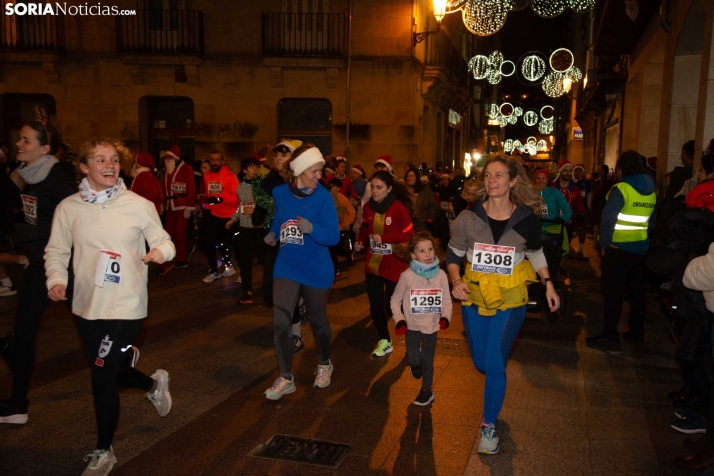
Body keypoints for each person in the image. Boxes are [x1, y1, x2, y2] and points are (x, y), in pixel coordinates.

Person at [45, 139, 175, 475]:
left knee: (101, 376)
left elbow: (163, 239)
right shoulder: (69, 208)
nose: (109, 164)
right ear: (85, 168)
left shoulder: (137, 204)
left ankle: (104, 451)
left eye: (114, 159)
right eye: (100, 159)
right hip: (86, 305)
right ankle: (153, 384)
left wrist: (161, 252)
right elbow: (57, 251)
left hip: (126, 305)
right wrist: (56, 279)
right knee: (111, 371)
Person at [447, 154, 559, 455]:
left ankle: (488, 427)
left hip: (510, 300)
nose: (491, 180)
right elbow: (453, 256)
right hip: (473, 297)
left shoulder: (526, 220)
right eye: (487, 175)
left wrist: (548, 283)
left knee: (495, 363)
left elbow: (535, 254)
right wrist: (456, 281)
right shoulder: (468, 217)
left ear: (512, 181)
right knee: (482, 363)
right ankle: (493, 399)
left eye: (498, 175)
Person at [0, 117, 76, 424]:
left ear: (44, 149)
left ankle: (133, 369)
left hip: (63, 267)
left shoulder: (57, 179)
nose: (19, 144)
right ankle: (18, 405)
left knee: (94, 334)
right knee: (24, 334)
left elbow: (80, 218)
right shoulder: (31, 174)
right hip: (38, 267)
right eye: (20, 138)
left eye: (27, 140)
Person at [262, 144, 340, 400]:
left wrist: (312, 229)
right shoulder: (279, 192)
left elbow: (334, 236)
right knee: (280, 322)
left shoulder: (323, 197)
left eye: (320, 171)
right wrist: (274, 233)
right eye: (315, 171)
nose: (320, 176)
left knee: (317, 322)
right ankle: (286, 377)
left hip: (317, 269)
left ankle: (324, 363)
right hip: (287, 265)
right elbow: (280, 217)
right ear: (299, 169)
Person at [587, 150, 656, 343]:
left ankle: (610, 334)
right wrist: (643, 239)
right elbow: (652, 221)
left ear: (622, 168)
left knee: (613, 293)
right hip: (640, 249)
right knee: (637, 293)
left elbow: (608, 217)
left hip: (617, 249)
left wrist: (605, 242)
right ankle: (636, 333)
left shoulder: (622, 189)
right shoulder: (651, 190)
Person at [355, 170, 415, 357]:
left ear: (389, 189)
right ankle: (385, 341)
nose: (375, 191)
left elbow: (408, 235)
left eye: (379, 187)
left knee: (392, 306)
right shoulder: (367, 208)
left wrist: (386, 239)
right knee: (375, 306)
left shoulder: (398, 209)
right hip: (373, 265)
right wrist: (360, 241)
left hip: (393, 264)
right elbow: (366, 229)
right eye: (372, 187)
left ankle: (413, 337)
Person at [390, 231, 452, 406]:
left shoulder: (440, 275)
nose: (428, 254)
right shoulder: (407, 276)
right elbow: (395, 300)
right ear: (412, 255)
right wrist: (400, 320)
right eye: (422, 251)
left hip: (432, 325)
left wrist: (445, 318)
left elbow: (447, 301)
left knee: (427, 359)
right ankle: (415, 366)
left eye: (430, 249)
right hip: (411, 326)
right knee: (414, 359)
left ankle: (427, 390)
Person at [226, 156, 267, 304]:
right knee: (244, 261)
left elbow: (268, 204)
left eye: (256, 167)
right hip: (245, 228)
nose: (255, 169)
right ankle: (247, 292)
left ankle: (271, 287)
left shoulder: (262, 185)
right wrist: (233, 219)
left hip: (259, 227)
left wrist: (255, 211)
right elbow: (241, 207)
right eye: (251, 167)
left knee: (264, 259)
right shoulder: (240, 187)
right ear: (245, 170)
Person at [198, 151, 239, 283]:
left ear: (222, 161)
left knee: (231, 245)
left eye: (217, 159)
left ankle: (235, 269)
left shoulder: (231, 177)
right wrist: (207, 206)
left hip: (230, 216)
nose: (214, 162)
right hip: (214, 214)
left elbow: (237, 198)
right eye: (212, 159)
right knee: (205, 242)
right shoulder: (207, 176)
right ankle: (215, 270)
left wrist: (221, 199)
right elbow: (210, 195)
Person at [159, 146, 196, 274]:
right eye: (166, 157)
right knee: (169, 233)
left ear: (175, 158)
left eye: (170, 157)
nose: (167, 160)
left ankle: (182, 258)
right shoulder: (167, 171)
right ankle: (171, 258)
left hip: (181, 206)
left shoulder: (186, 169)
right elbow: (163, 187)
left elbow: (191, 188)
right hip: (170, 206)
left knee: (180, 233)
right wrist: (163, 202)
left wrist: (189, 207)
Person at [533, 169, 573, 255]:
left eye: (543, 178)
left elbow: (568, 211)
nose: (540, 181)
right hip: (534, 228)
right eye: (538, 178)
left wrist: (562, 219)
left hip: (553, 228)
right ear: (534, 179)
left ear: (547, 180)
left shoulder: (555, 193)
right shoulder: (529, 193)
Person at [327, 177, 356, 278]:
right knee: (332, 249)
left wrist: (348, 222)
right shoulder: (328, 197)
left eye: (333, 187)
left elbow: (352, 212)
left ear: (338, 188)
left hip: (342, 228)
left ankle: (348, 253)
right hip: (332, 228)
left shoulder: (342, 198)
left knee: (338, 249)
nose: (330, 189)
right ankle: (336, 270)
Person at [553, 160, 584, 250]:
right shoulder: (553, 187)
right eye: (565, 170)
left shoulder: (576, 189)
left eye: (570, 171)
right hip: (553, 223)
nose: (568, 173)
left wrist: (580, 214)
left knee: (565, 248)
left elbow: (579, 205)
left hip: (568, 224)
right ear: (560, 171)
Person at [404, 167, 436, 233]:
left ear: (417, 177)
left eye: (412, 176)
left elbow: (432, 205)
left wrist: (430, 219)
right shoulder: (403, 190)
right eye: (408, 176)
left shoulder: (425, 190)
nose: (410, 178)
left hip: (422, 225)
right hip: (407, 224)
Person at [573, 164, 591, 255]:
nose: (578, 173)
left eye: (580, 171)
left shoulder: (587, 183)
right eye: (576, 171)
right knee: (573, 228)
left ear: (583, 173)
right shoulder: (571, 182)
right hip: (572, 208)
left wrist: (589, 206)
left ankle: (581, 247)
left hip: (583, 208)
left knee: (582, 228)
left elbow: (589, 195)